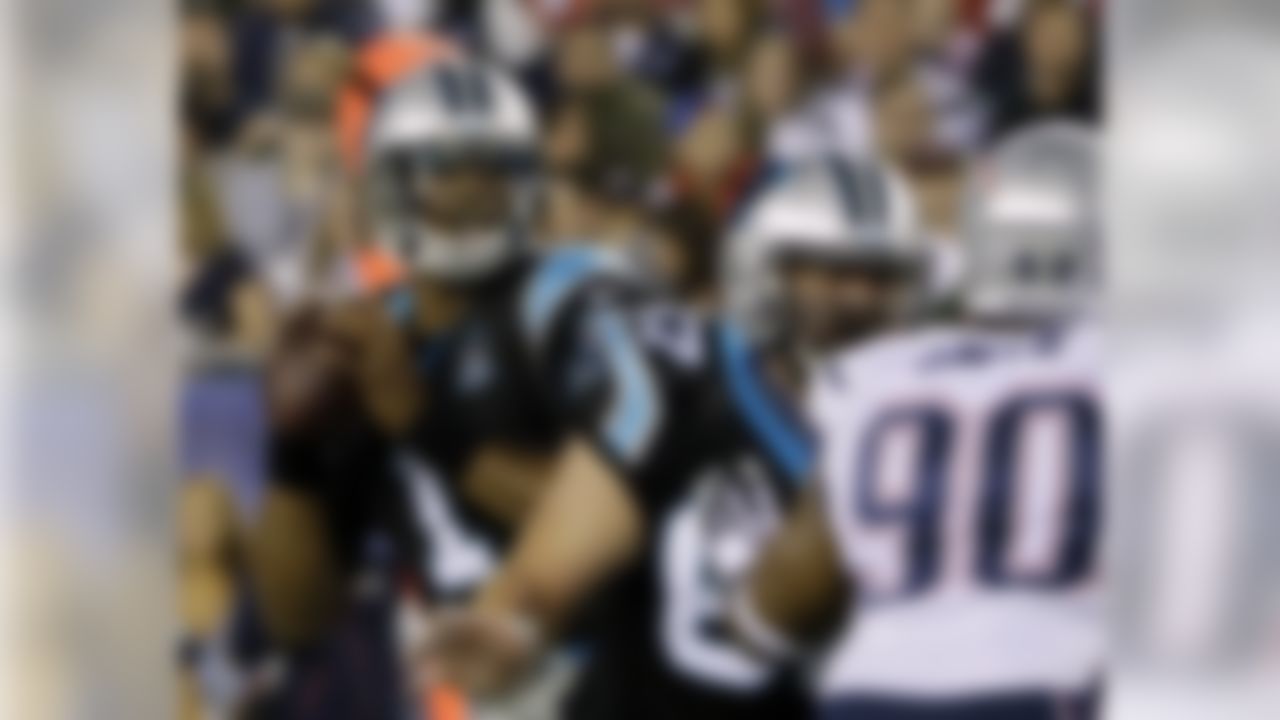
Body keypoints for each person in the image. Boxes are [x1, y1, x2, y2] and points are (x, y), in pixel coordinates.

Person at [252, 57, 811, 719]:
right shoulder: (367, 339)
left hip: (609, 666)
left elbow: (633, 503)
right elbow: (299, 618)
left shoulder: (575, 295)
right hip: (467, 684)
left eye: (490, 173)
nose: (467, 197)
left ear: (529, 185)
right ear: (385, 188)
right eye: (442, 173)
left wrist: (426, 424)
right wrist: (294, 456)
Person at [732, 122, 1104, 720]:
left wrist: (750, 621)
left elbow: (784, 598)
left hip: (874, 695)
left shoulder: (882, 376)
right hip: (1050, 685)